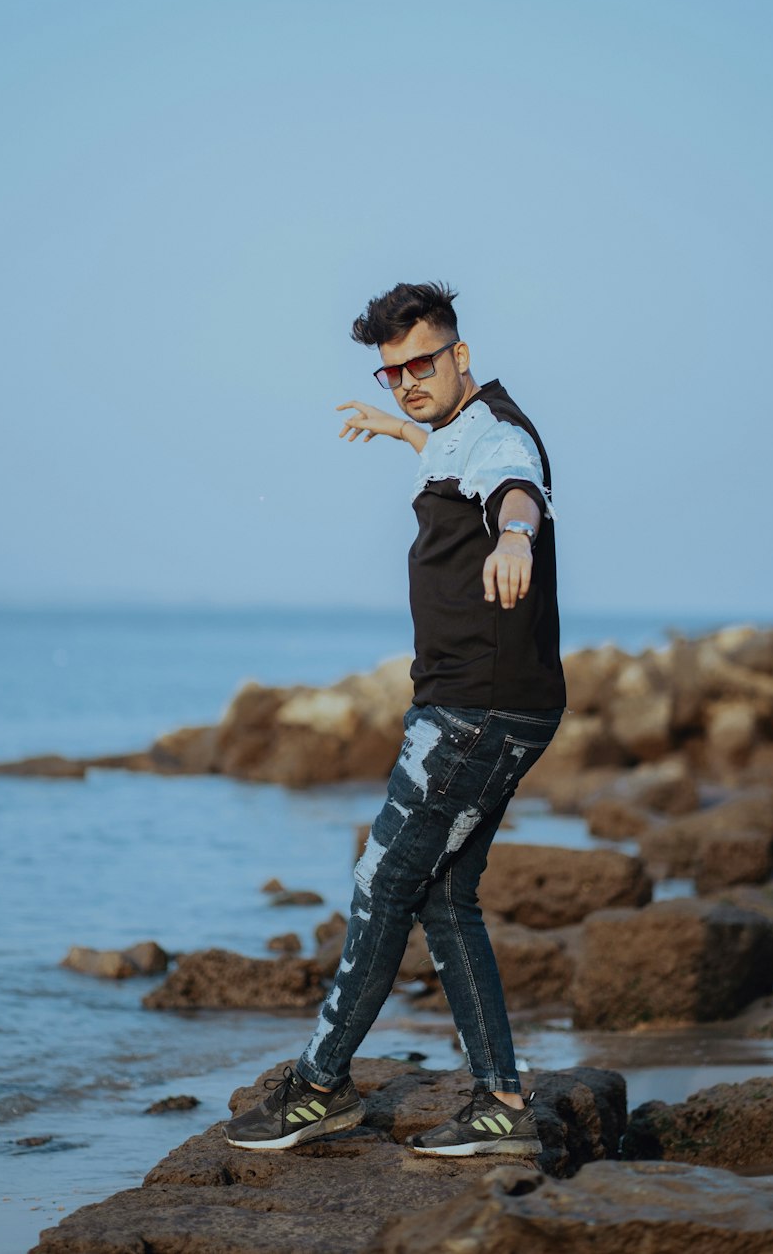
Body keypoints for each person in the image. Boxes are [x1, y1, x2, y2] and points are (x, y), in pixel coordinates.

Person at [224, 281, 566, 1157]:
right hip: (487, 701)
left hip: (473, 711)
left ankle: (320, 1087)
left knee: (381, 884)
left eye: (422, 363)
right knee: (446, 898)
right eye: (392, 373)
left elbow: (514, 487)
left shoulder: (499, 436)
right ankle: (499, 1103)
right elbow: (457, 458)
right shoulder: (458, 430)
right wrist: (404, 434)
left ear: (460, 355)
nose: (408, 380)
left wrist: (518, 538)